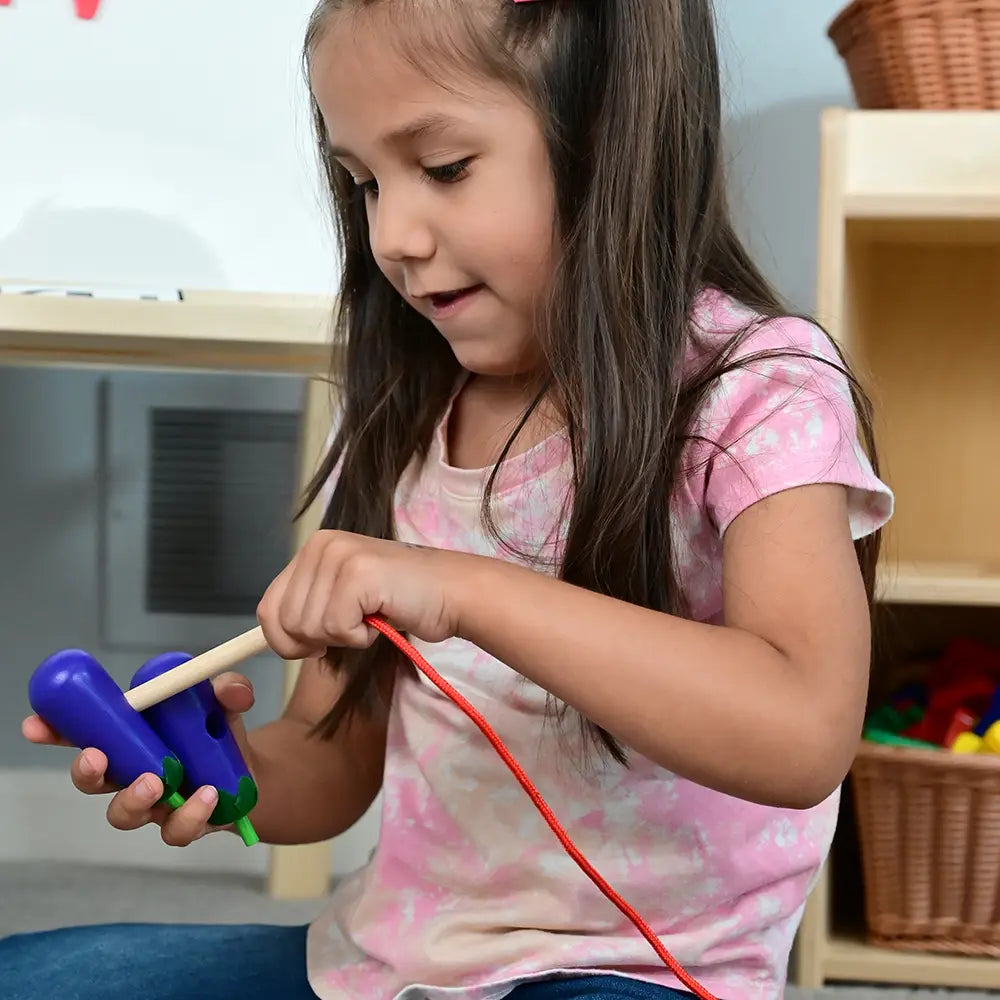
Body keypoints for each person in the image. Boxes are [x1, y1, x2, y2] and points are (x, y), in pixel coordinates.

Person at [6, 1, 894, 998]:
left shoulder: (758, 390)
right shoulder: (403, 413)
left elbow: (802, 730)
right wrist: (231, 773)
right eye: (362, 183)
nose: (392, 234)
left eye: (442, 168)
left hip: (635, 975)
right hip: (390, 968)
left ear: (608, 131)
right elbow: (330, 762)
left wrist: (458, 588)